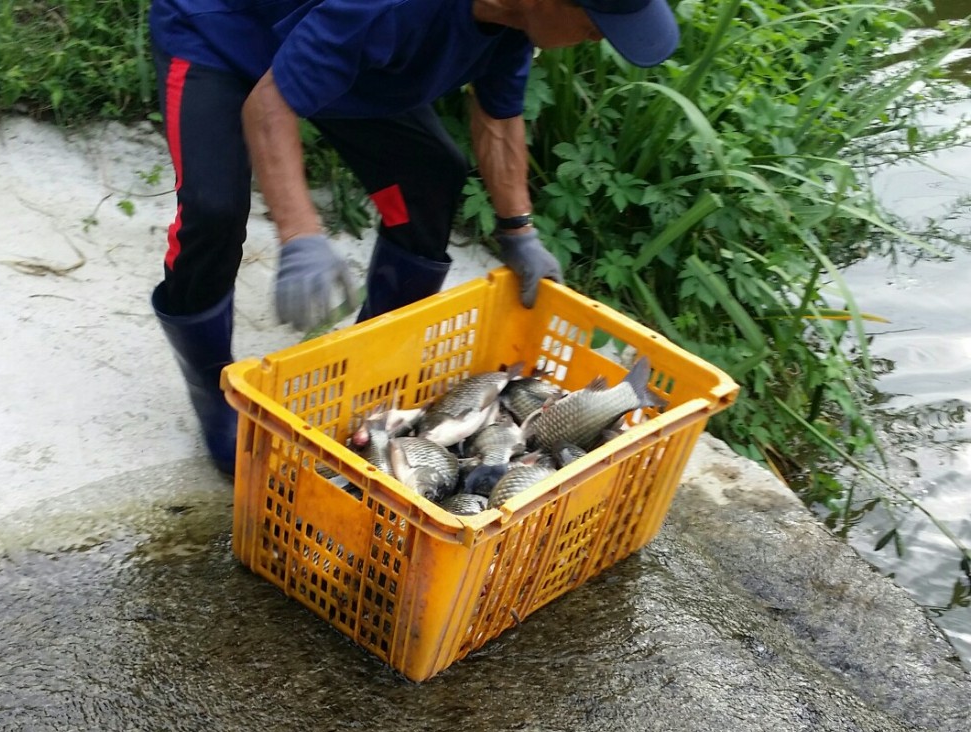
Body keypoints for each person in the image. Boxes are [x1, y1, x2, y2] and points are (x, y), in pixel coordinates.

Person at [148, 0, 680, 475]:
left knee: (429, 177)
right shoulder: (391, 7)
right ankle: (212, 387)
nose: (597, 37)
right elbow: (270, 104)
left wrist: (517, 229)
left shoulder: (513, 21)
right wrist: (301, 233)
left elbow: (499, 117)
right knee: (213, 211)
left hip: (337, 59)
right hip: (222, 33)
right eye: (593, 22)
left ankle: (369, 375)